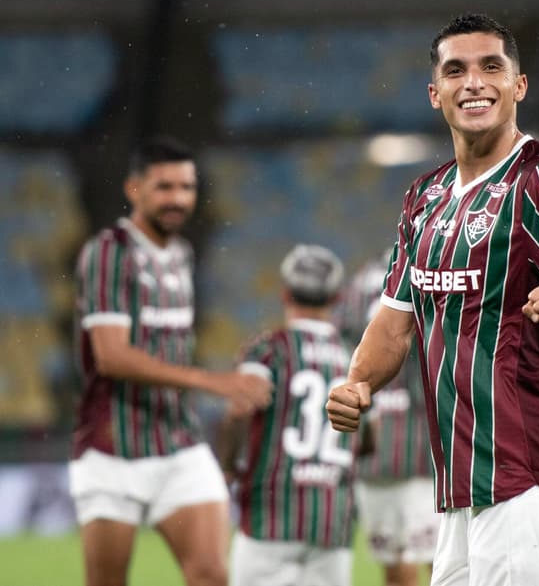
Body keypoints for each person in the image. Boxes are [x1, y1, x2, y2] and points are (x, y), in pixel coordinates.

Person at [326, 13, 539, 586]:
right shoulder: (425, 197)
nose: (475, 83)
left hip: (533, 472)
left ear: (519, 85)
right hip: (463, 484)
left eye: (492, 67)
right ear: (435, 92)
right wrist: (359, 381)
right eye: (457, 70)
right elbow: (394, 324)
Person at [69, 136, 273, 586]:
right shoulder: (109, 252)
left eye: (186, 187)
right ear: (134, 190)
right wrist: (214, 382)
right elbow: (111, 356)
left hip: (178, 443)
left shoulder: (181, 255)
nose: (178, 199)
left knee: (212, 575)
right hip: (111, 448)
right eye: (164, 187)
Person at [216, 244, 359, 586]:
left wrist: (226, 465)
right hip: (331, 519)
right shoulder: (353, 358)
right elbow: (369, 435)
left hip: (271, 513)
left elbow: (239, 410)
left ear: (284, 294)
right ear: (337, 298)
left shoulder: (268, 350)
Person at [336, 250, 439, 586]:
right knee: (440, 563)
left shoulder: (359, 282)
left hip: (377, 451)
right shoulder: (428, 267)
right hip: (421, 444)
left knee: (398, 568)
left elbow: (343, 352)